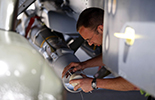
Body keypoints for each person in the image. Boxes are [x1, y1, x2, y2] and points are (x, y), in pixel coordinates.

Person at [62, 7, 140, 93]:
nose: (90, 44)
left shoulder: (134, 39)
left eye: (89, 39)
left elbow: (137, 82)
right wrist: (84, 64)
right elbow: (113, 56)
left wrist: (93, 83)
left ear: (101, 29)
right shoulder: (120, 31)